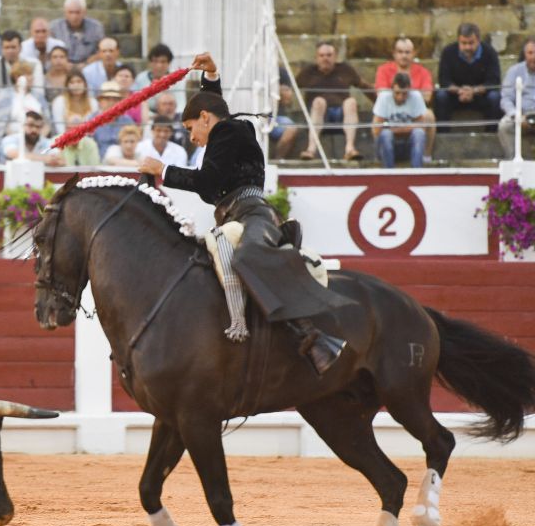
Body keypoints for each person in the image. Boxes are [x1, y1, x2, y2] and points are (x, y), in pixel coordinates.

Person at [138, 52, 351, 376]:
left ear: (205, 119)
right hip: (239, 214)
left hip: (252, 215)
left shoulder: (230, 131)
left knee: (250, 257)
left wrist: (163, 169)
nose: (192, 137)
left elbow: (207, 178)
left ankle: (312, 335)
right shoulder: (225, 134)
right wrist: (211, 76)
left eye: (191, 127)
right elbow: (214, 115)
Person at [295, 41, 370, 161]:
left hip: (341, 113)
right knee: (319, 101)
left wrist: (379, 101)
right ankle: (311, 149)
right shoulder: (308, 72)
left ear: (335, 57)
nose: (325, 58)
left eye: (329, 55)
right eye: (322, 55)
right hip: (317, 113)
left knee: (351, 102)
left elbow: (364, 86)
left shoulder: (345, 70)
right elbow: (291, 87)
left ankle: (350, 148)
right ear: (316, 57)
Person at [375, 37, 434, 160]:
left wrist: (406, 95)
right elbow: (381, 94)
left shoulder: (423, 71)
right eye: (400, 52)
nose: (404, 56)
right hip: (389, 113)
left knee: (429, 115)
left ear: (413, 53)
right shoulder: (383, 70)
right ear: (394, 53)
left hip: (414, 113)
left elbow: (427, 96)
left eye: (407, 52)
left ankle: (426, 156)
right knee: (380, 124)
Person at [435, 23, 501, 132]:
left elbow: (493, 82)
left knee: (495, 97)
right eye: (463, 43)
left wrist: (473, 91)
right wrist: (460, 91)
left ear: (478, 40)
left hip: (480, 96)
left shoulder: (490, 53)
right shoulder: (448, 52)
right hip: (456, 95)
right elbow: (444, 81)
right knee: (441, 96)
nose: (467, 47)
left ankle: (491, 135)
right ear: (458, 41)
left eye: (471, 43)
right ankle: (443, 135)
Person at [371, 73, 426, 168]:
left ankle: (417, 174)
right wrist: (408, 128)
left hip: (407, 144)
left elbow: (422, 126)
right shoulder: (384, 97)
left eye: (404, 93)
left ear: (409, 90)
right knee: (386, 135)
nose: (400, 97)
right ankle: (389, 174)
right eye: (397, 93)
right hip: (386, 146)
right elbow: (376, 130)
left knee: (419, 133)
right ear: (392, 89)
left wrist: (392, 128)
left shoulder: (416, 96)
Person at [0, 60, 49, 143]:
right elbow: (1, 126)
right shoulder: (4, 96)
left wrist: (37, 140)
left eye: (31, 74)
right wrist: (21, 140)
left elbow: (47, 124)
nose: (31, 78)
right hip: (12, 141)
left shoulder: (39, 97)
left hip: (38, 141)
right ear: (16, 77)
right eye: (28, 74)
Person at [498, 37, 535, 159]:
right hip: (521, 115)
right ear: (525, 54)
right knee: (504, 126)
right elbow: (506, 99)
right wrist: (516, 115)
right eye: (530, 53)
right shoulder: (514, 71)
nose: (534, 57)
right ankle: (513, 161)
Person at [49, 0, 104, 64]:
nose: (74, 16)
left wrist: (86, 64)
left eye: (77, 12)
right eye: (70, 12)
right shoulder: (54, 27)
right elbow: (50, 51)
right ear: (65, 12)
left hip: (89, 65)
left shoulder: (96, 27)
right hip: (62, 64)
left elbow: (101, 50)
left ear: (84, 12)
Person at [91, 80, 134, 158]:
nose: (111, 103)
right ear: (100, 102)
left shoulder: (127, 121)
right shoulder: (91, 120)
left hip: (124, 164)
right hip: (98, 164)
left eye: (115, 99)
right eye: (107, 99)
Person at [134, 43, 180, 113]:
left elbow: (180, 105)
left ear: (169, 63)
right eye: (155, 61)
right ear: (150, 62)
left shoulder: (177, 79)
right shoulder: (141, 79)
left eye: (163, 62)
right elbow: (137, 104)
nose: (159, 65)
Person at [51, 68, 95, 134]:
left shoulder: (93, 102)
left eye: (79, 81)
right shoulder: (59, 102)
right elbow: (59, 128)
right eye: (72, 82)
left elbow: (93, 129)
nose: (76, 85)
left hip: (87, 141)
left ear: (85, 84)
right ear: (67, 86)